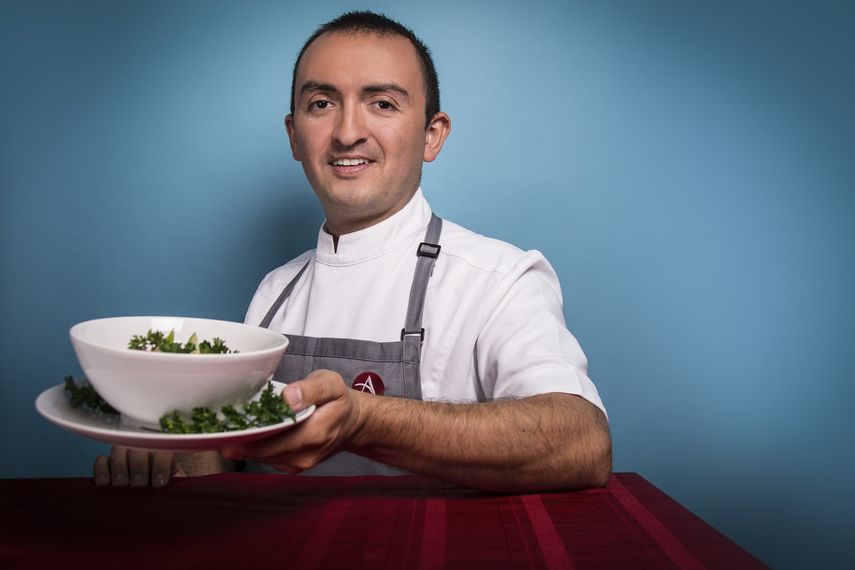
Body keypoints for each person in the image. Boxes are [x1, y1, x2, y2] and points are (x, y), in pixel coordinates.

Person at [94, 10, 611, 493]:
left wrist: (364, 419)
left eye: (382, 104)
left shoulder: (499, 278)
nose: (346, 133)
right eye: (322, 104)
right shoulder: (275, 292)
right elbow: (236, 462)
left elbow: (581, 442)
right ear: (295, 136)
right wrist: (170, 456)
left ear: (433, 136)